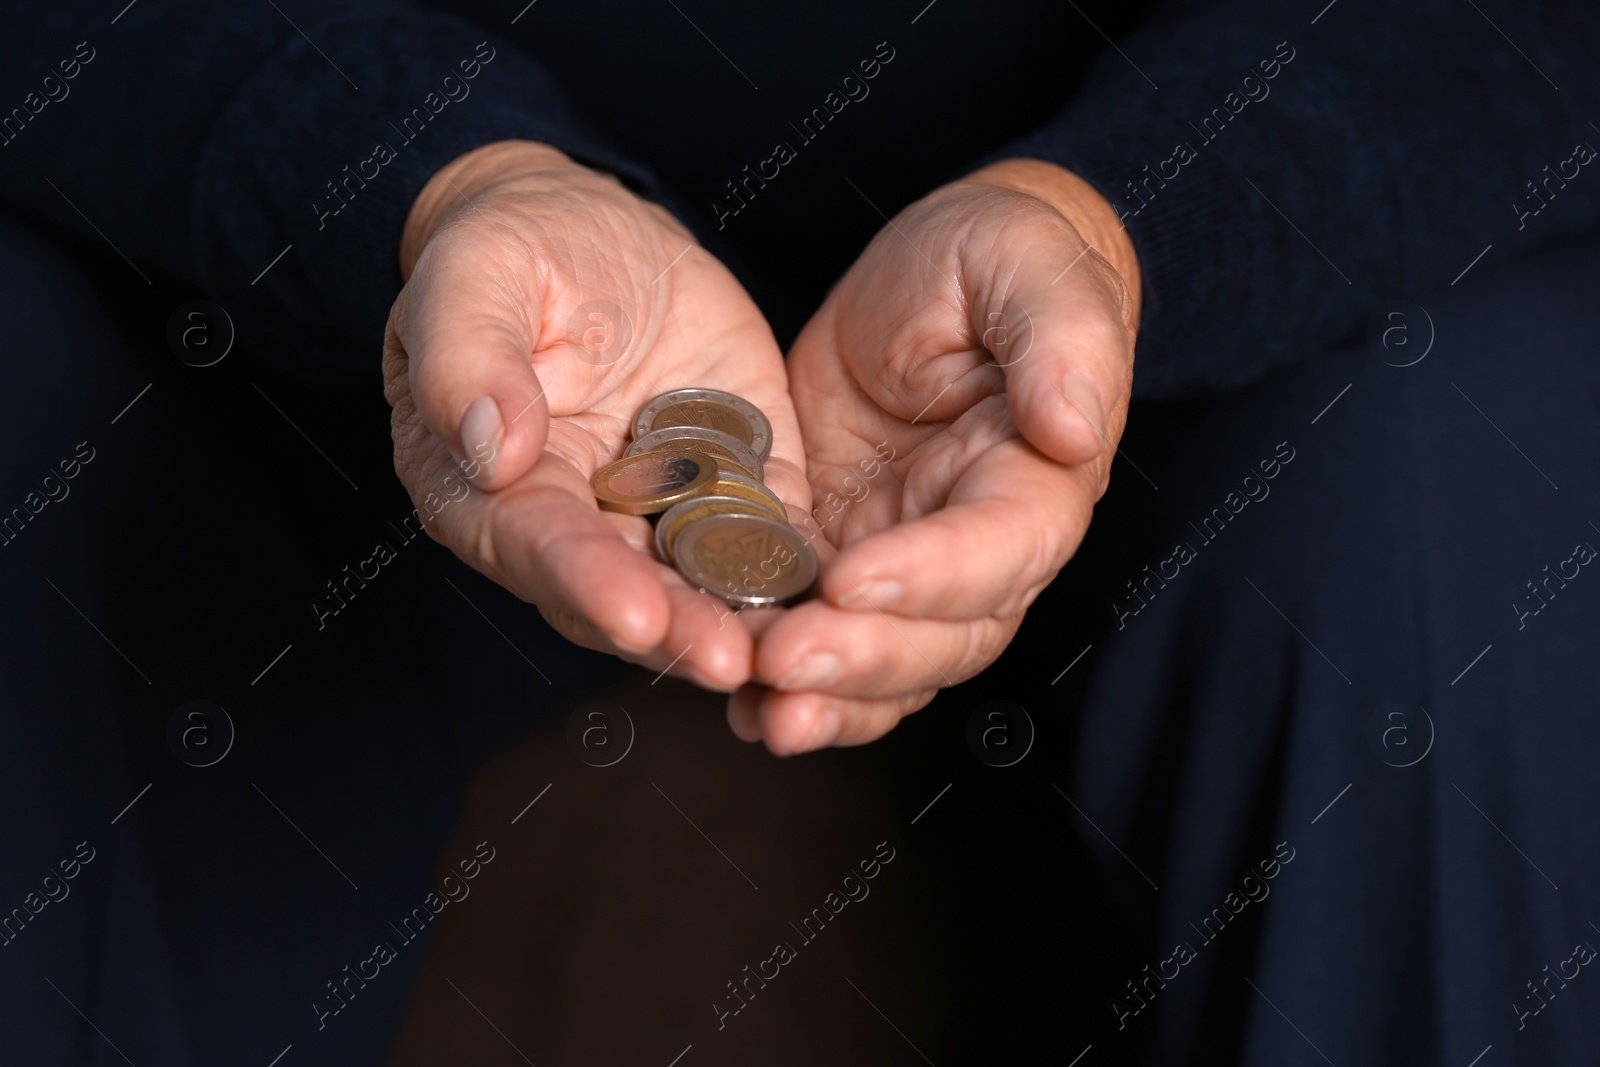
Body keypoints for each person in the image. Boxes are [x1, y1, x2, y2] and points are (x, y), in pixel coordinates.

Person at [3, 0, 1599, 1063]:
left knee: (1446, 504)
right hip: (351, 282)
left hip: (1236, 265)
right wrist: (435, 182)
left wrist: (1110, 224)